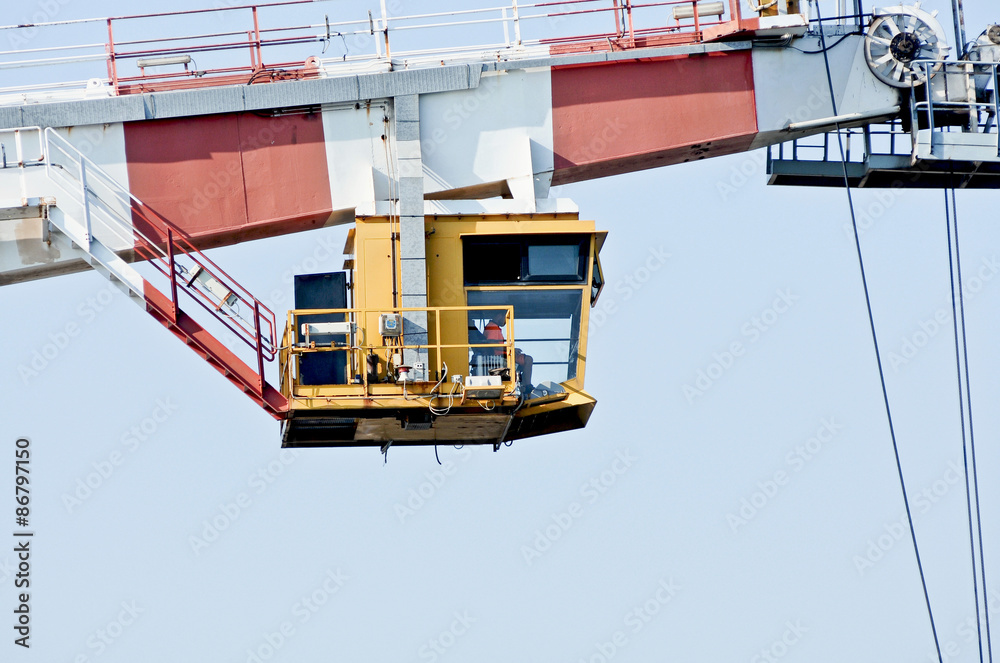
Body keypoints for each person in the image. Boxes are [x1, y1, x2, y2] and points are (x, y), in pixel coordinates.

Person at [483, 311, 532, 389]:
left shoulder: (492, 327)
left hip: (501, 356)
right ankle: (528, 386)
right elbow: (492, 344)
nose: (506, 322)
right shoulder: (493, 327)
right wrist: (510, 349)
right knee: (528, 359)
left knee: (522, 364)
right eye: (506, 318)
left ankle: (523, 385)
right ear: (499, 315)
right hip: (500, 357)